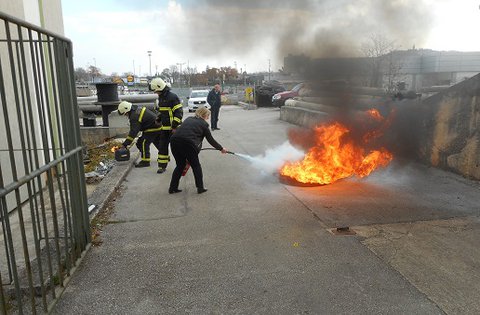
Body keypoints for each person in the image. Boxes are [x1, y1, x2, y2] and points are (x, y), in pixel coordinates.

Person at [168, 107, 228, 194]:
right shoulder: (204, 125)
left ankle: (172, 188)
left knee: (180, 165)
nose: (208, 118)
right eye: (208, 116)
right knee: (196, 166)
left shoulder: (188, 119)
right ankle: (200, 188)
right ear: (204, 115)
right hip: (188, 143)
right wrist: (221, 148)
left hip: (174, 140)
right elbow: (210, 140)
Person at [150, 77, 183, 173]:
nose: (155, 93)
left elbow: (179, 113)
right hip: (164, 128)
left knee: (177, 149)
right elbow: (163, 111)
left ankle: (182, 165)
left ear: (160, 88)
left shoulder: (173, 97)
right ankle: (162, 166)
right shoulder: (161, 97)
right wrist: (159, 118)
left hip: (174, 129)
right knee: (162, 147)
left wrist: (174, 126)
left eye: (155, 90)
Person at [117, 101, 162, 169]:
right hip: (156, 127)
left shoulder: (134, 116)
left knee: (142, 143)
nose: (126, 116)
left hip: (152, 128)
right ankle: (164, 156)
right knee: (157, 142)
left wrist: (125, 144)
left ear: (127, 110)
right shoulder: (136, 109)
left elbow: (133, 132)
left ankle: (145, 161)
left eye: (125, 114)